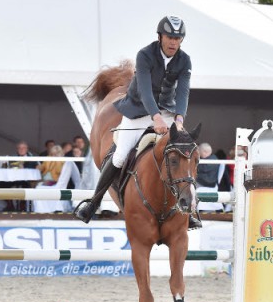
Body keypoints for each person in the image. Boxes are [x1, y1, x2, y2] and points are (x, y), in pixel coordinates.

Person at [75, 15, 199, 229]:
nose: (173, 42)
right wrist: (156, 117)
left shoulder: (184, 60)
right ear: (160, 36)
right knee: (120, 155)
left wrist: (179, 118)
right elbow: (144, 90)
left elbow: (183, 92)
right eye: (170, 37)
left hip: (167, 111)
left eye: (178, 39)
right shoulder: (145, 55)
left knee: (185, 149)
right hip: (138, 110)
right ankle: (93, 203)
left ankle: (192, 209)